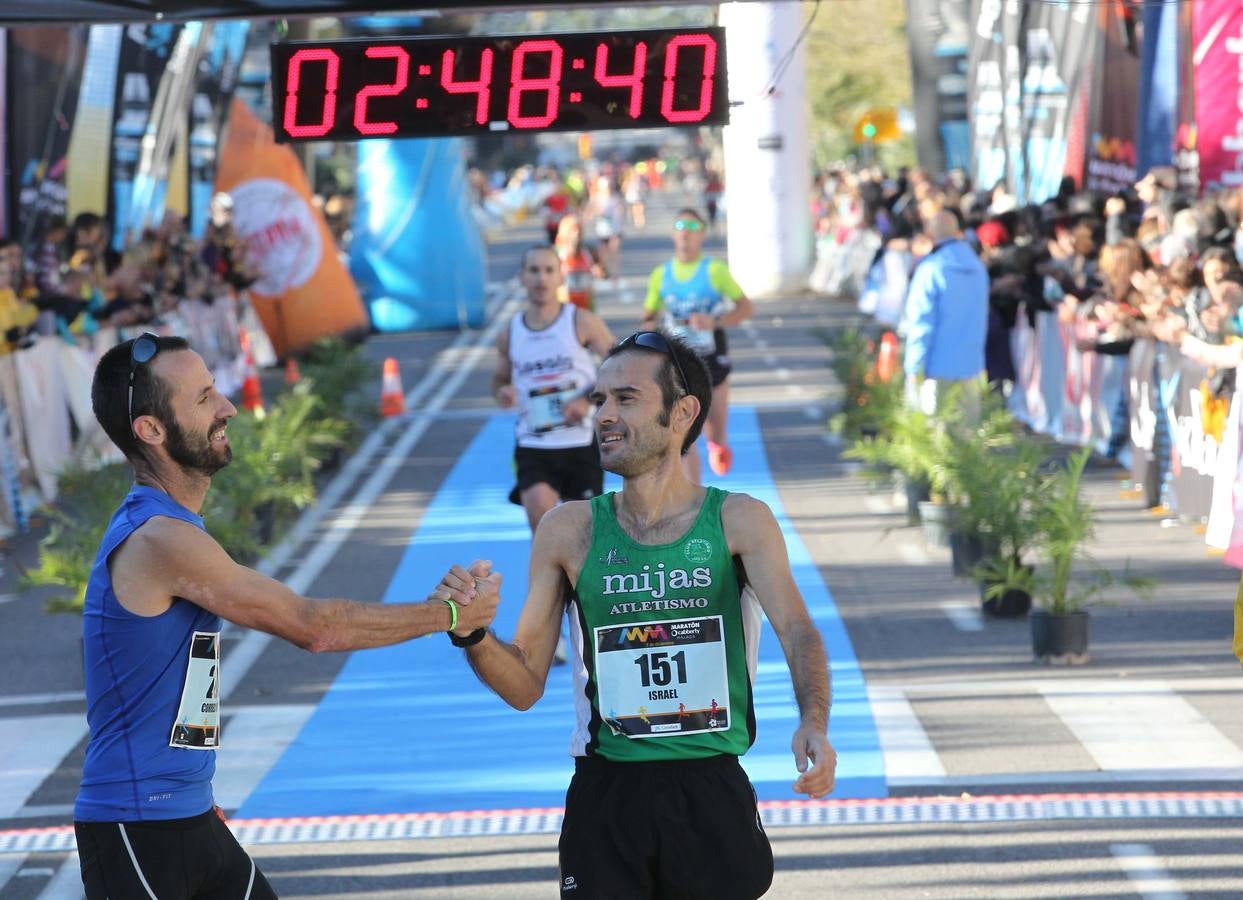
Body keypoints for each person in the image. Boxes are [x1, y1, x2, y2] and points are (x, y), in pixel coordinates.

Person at [75, 333, 500, 900]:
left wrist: (189, 787)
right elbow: (314, 627)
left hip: (187, 814)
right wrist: (447, 614)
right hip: (136, 828)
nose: (227, 406)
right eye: (203, 398)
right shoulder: (158, 539)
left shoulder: (172, 528)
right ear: (150, 430)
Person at [449, 331, 835, 899]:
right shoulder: (568, 529)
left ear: (682, 413)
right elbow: (526, 683)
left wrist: (814, 721)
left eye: (625, 399)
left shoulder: (740, 522)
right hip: (607, 797)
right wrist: (474, 634)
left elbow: (799, 631)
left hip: (710, 791)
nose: (603, 415)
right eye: (600, 399)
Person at [493, 246, 617, 532]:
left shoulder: (580, 321)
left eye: (549, 270)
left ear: (560, 277)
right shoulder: (510, 332)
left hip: (581, 441)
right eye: (534, 270)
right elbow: (499, 379)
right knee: (540, 515)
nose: (541, 279)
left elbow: (620, 366)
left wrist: (586, 399)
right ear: (522, 277)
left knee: (586, 535)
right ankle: (550, 577)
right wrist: (503, 392)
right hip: (533, 443)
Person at [641, 208, 753, 480]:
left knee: (715, 428)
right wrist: (655, 332)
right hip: (678, 363)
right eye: (680, 226)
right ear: (674, 234)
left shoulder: (714, 271)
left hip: (711, 358)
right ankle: (692, 494)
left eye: (692, 227)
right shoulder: (661, 275)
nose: (686, 233)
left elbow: (746, 308)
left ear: (702, 235)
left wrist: (714, 322)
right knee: (682, 434)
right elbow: (648, 318)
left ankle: (718, 444)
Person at [901, 208, 989, 416]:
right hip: (971, 366)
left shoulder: (930, 270)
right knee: (966, 435)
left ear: (930, 236)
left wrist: (913, 366)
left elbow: (921, 323)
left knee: (934, 435)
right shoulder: (977, 268)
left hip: (935, 368)